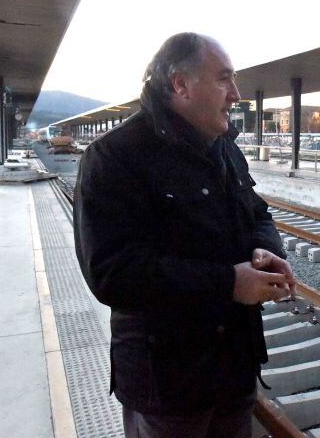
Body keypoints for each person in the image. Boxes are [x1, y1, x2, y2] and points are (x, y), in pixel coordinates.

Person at [73, 33, 294, 438]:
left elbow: (257, 212)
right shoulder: (115, 156)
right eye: (224, 79)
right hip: (169, 386)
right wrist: (230, 283)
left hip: (234, 370)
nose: (236, 94)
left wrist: (264, 248)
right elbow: (111, 272)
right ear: (180, 85)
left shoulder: (223, 147)